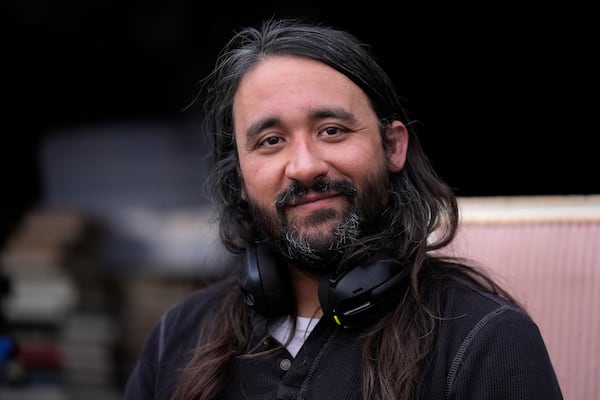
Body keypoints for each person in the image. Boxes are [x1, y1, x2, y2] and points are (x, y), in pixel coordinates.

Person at [123, 18, 563, 400]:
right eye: (270, 141)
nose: (306, 166)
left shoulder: (485, 341)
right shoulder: (177, 339)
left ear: (392, 146)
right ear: (238, 178)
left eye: (332, 130)